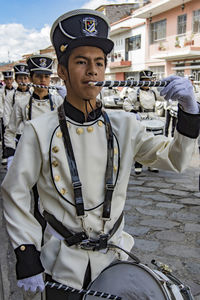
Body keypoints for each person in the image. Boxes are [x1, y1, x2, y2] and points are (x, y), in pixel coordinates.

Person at [1, 8, 200, 300]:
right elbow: (14, 192)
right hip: (61, 265)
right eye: (81, 62)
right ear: (62, 70)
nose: (92, 70)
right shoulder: (38, 131)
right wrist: (26, 251)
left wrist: (189, 114)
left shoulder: (125, 126)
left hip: (114, 262)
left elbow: (175, 159)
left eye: (99, 62)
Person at [123, 69, 162, 174]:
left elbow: (163, 96)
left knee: (154, 143)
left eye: (148, 80)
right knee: (140, 142)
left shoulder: (153, 92)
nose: (146, 82)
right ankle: (138, 164)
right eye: (144, 80)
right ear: (140, 81)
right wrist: (133, 111)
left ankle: (152, 164)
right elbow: (126, 103)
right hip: (141, 118)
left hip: (153, 118)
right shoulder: (135, 93)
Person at [0, 70, 15, 165]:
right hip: (3, 115)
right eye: (7, 80)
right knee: (4, 134)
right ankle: (5, 154)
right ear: (4, 81)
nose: (9, 82)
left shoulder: (15, 90)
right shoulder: (1, 92)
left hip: (15, 116)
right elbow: (1, 105)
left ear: (13, 80)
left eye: (10, 79)